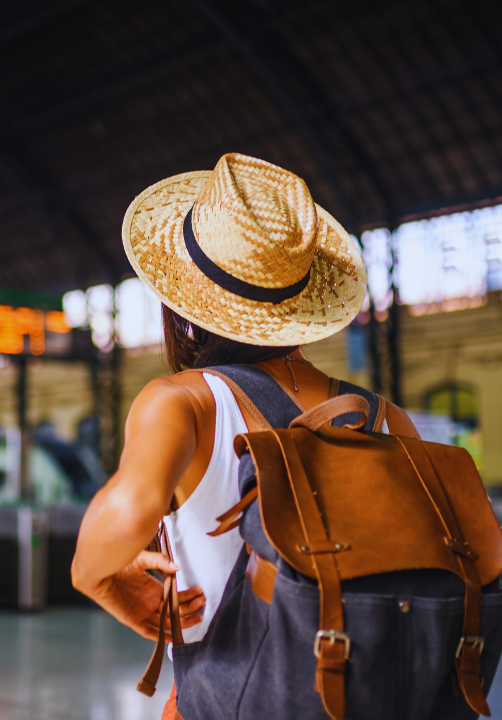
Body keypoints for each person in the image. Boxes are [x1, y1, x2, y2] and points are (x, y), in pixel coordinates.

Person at [71, 153, 370, 718]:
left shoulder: (184, 400)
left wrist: (94, 576)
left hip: (234, 698)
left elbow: (131, 510)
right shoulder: (381, 417)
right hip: (370, 694)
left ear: (181, 295)